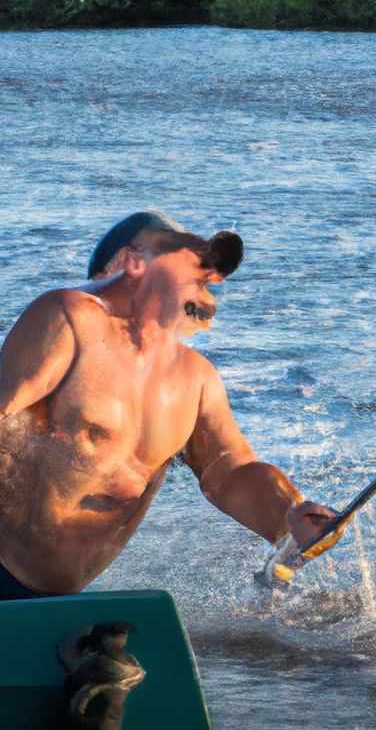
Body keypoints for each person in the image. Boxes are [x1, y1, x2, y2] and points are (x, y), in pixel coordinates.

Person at [0, 211, 344, 599]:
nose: (207, 277)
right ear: (129, 263)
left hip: (59, 598)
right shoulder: (68, 318)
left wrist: (289, 516)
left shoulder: (197, 379)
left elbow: (232, 474)